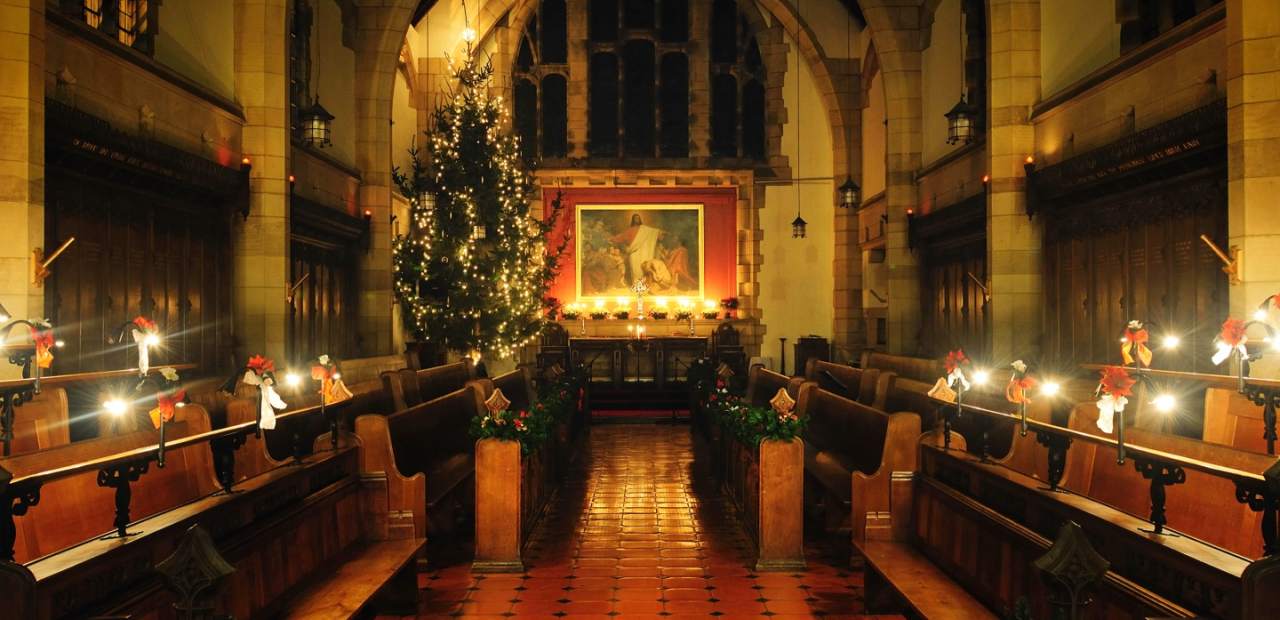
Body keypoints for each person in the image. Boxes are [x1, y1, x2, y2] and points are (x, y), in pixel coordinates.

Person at [610, 213, 664, 284]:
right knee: (636, 270)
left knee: (645, 268)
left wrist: (660, 232)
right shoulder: (630, 230)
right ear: (633, 220)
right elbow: (622, 236)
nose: (637, 219)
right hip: (634, 252)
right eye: (635, 218)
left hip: (644, 252)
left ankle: (645, 286)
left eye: (638, 218)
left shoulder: (644, 229)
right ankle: (637, 286)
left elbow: (654, 232)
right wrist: (612, 238)